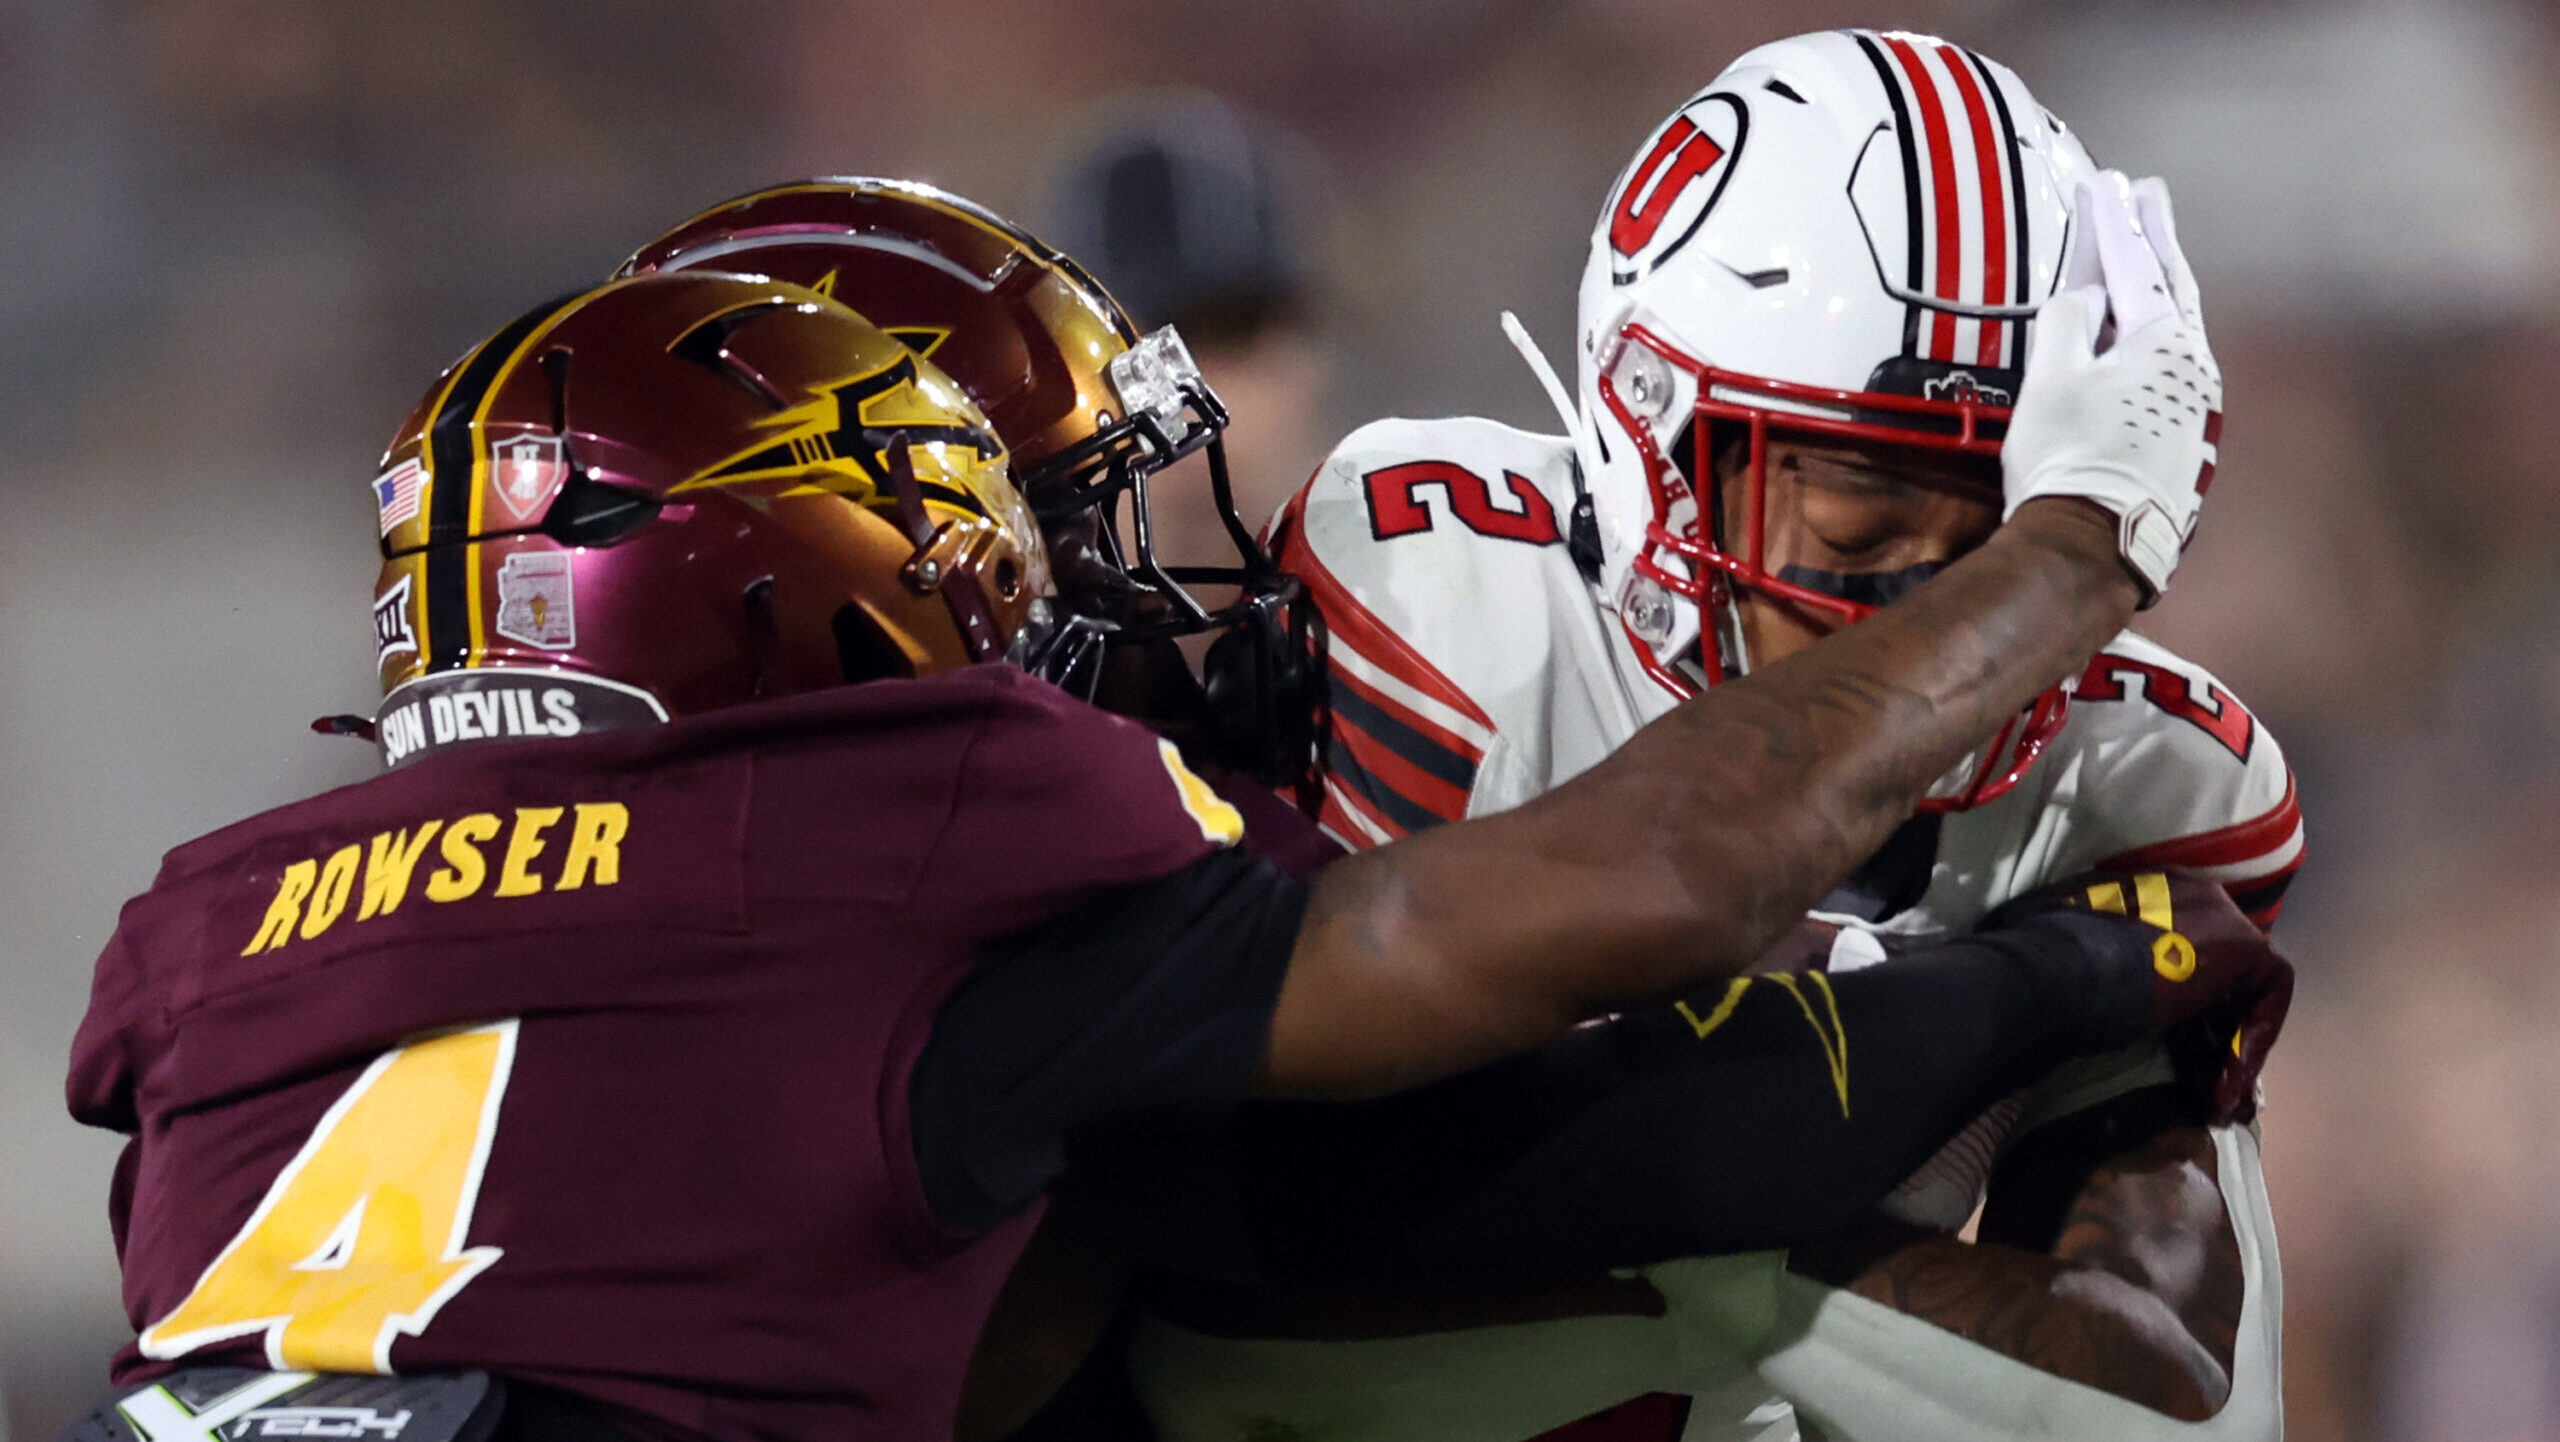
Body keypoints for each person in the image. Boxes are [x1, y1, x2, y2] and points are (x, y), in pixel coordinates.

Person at [63, 156, 2253, 1441]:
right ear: (823, 559)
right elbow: (1581, 1036)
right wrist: (2083, 931)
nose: (1102, 591)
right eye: (1028, 531)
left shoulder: (208, 928)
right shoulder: (912, 819)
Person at [1132, 29, 2295, 1442]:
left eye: (2007, 523)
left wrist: (1667, 1226)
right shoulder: (1449, 607)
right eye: (1864, 508)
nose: (1944, 600)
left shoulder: (2145, 771)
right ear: (1653, 440)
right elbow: (1256, 1303)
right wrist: (1777, 1196)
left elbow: (2169, 1415)